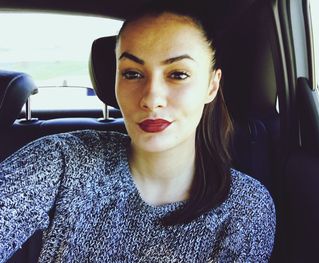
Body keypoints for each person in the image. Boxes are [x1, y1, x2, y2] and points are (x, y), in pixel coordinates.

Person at [0, 2, 276, 263]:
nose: (151, 98)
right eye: (132, 73)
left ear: (211, 87)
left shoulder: (246, 208)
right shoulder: (62, 162)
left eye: (178, 74)